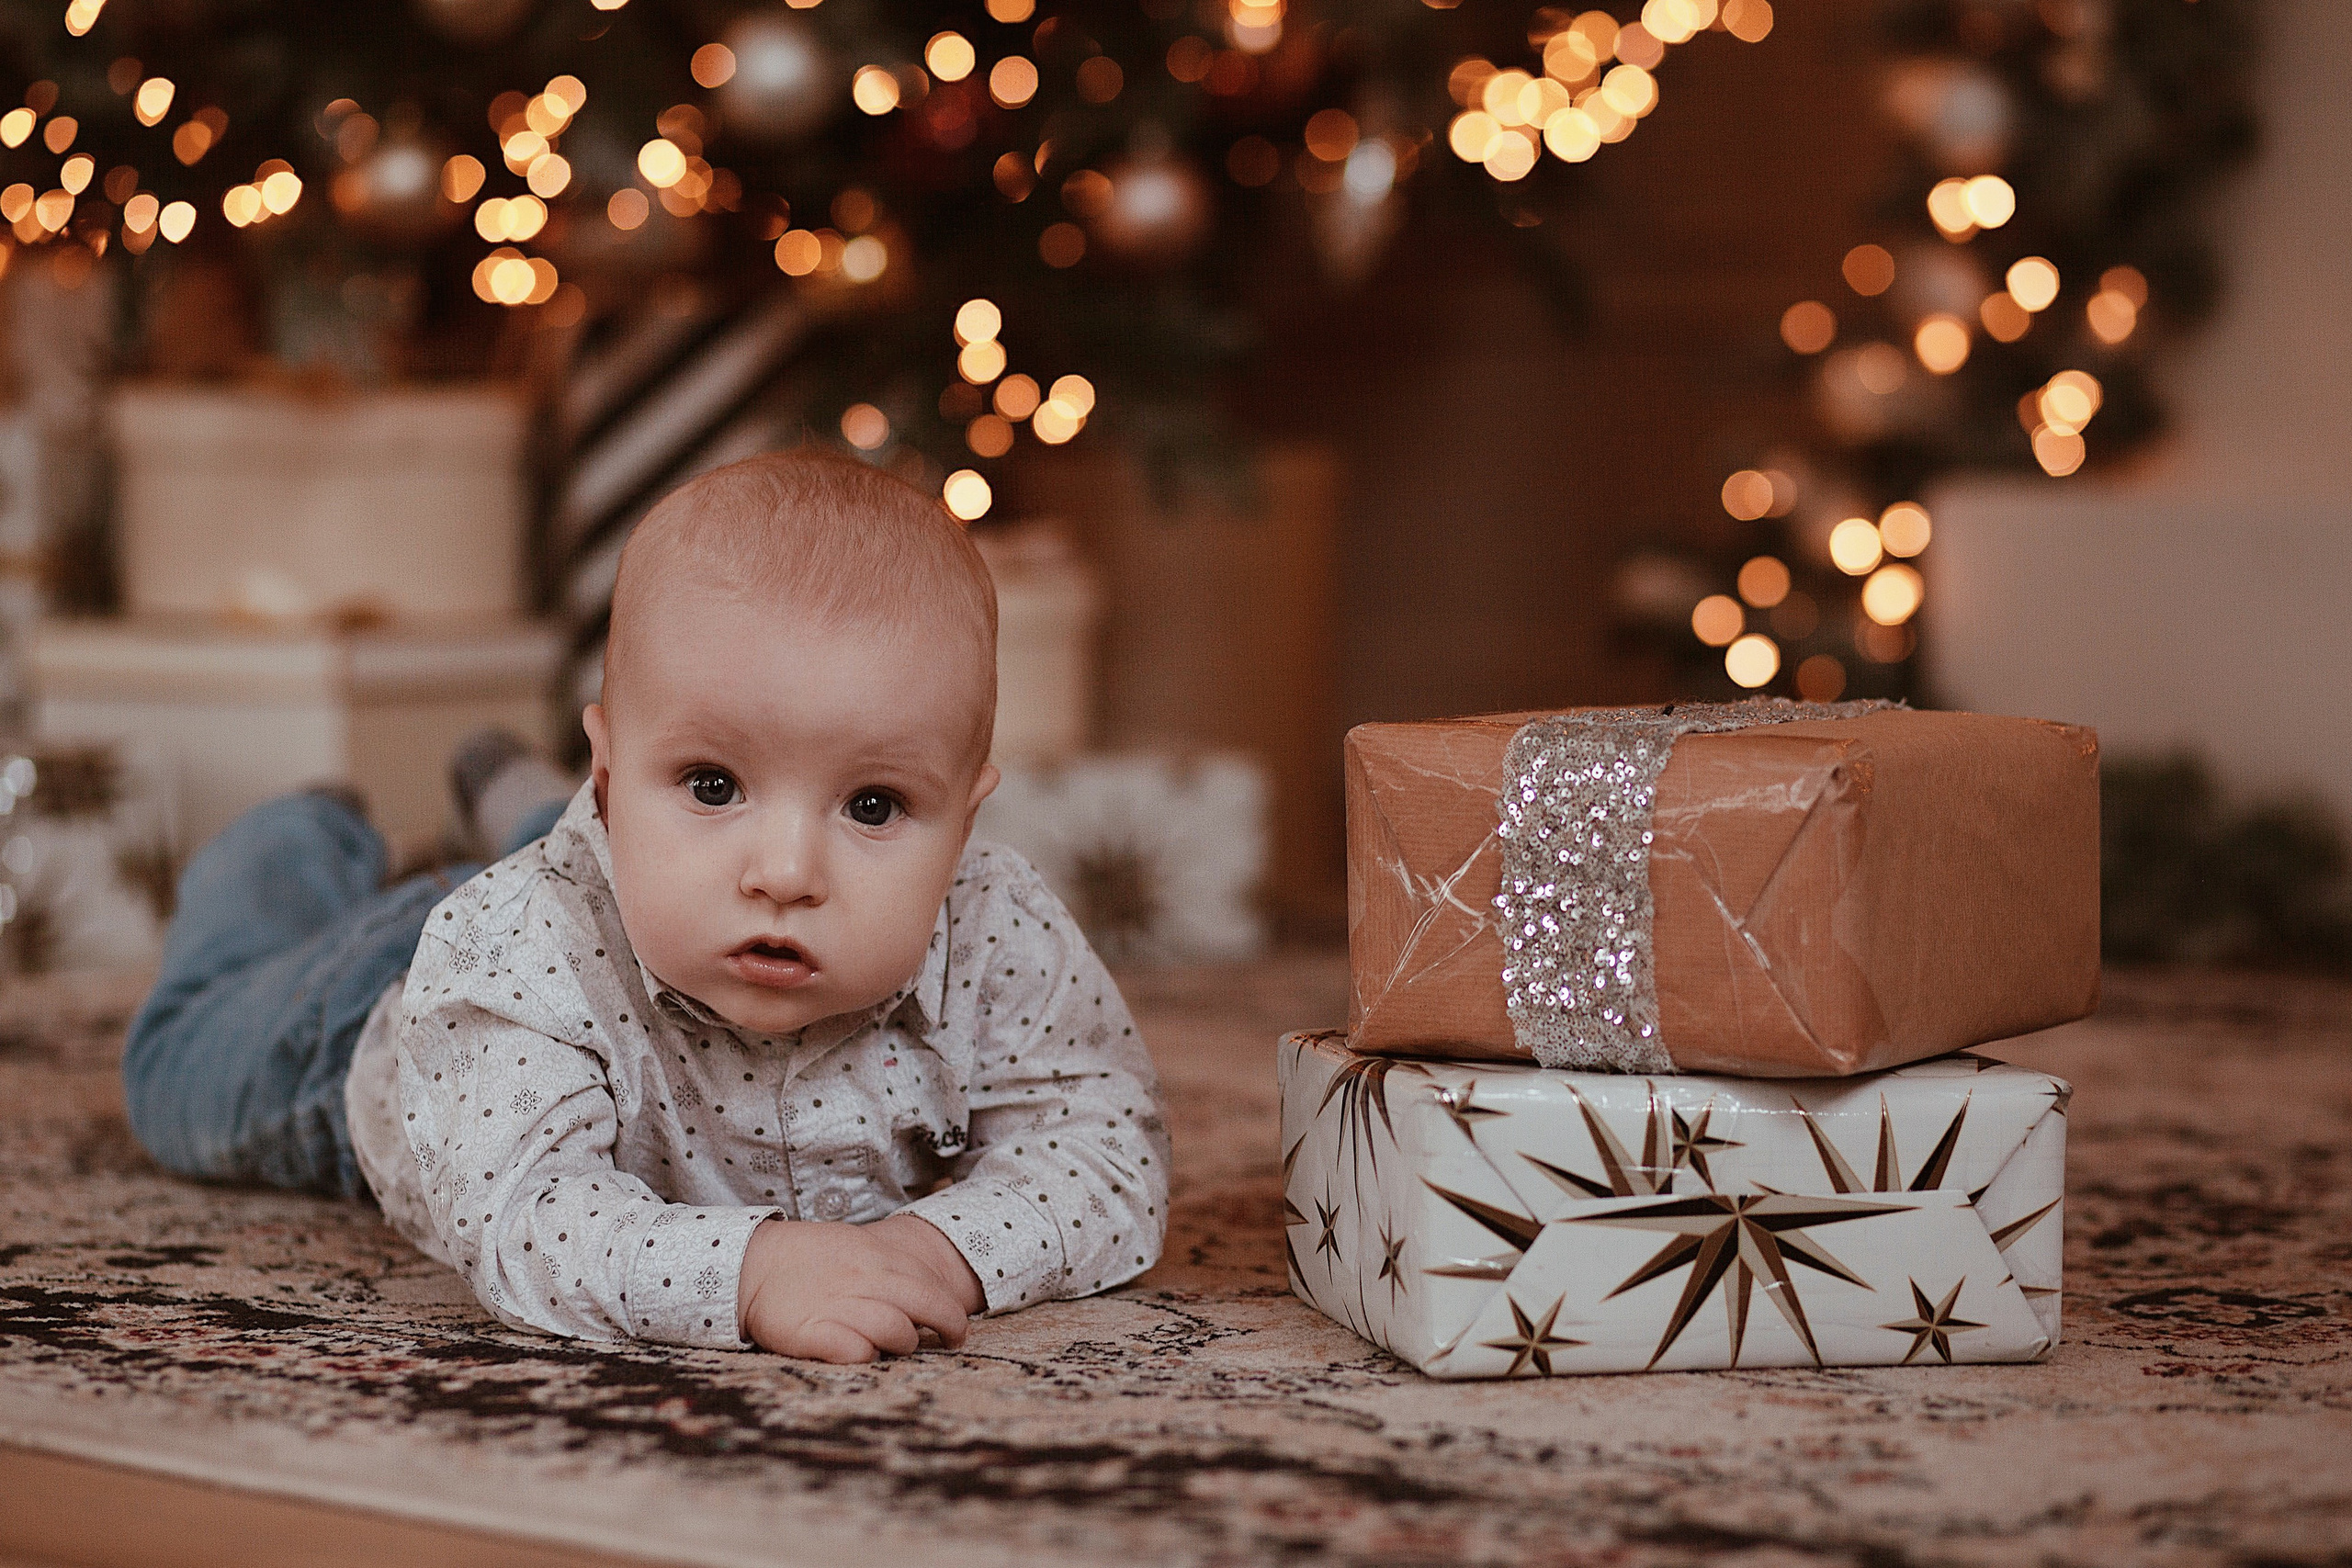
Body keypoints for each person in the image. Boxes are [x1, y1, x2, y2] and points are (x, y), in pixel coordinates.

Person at [122, 448, 1170, 1364]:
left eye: (874, 804)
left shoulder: (994, 920)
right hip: (385, 1012)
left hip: (634, 883)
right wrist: (749, 1273)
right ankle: (296, 836)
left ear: (966, 819)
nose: (786, 871)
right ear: (613, 777)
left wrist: (943, 1247)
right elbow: (527, 1217)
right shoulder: (516, 950)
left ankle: (524, 798)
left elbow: (1106, 1146)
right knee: (175, 1076)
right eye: (714, 783)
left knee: (667, 865)